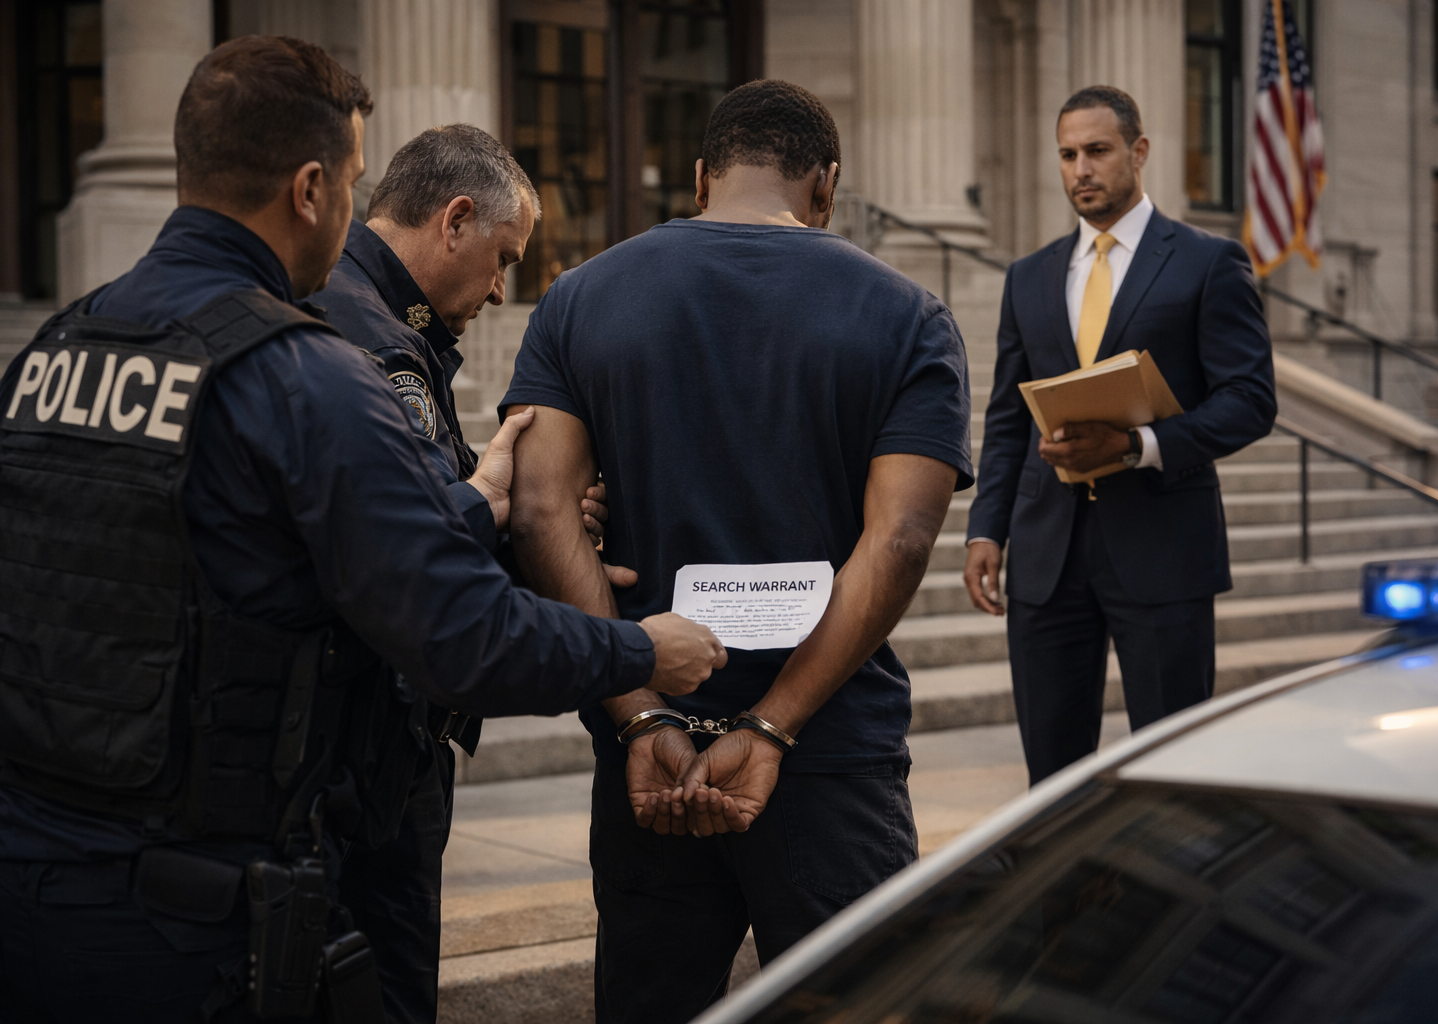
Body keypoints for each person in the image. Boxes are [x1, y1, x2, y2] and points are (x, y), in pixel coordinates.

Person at [0, 35, 724, 1024]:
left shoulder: (58, 344)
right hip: (195, 912)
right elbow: (463, 637)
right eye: (349, 179)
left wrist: (471, 505)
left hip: (36, 875)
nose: (354, 209)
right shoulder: (304, 375)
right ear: (308, 189)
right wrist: (643, 647)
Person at [500, 79, 972, 1024]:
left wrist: (638, 716)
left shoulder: (578, 298)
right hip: (828, 750)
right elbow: (904, 535)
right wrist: (772, 729)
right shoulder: (910, 316)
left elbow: (541, 509)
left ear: (703, 176)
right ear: (827, 186)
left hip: (649, 752)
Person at [309, 123, 632, 1024]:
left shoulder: (372, 314)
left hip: (363, 740)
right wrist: (629, 649)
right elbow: (401, 562)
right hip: (364, 754)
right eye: (502, 259)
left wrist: (512, 516)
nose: (501, 288)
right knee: (384, 987)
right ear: (455, 218)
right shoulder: (372, 338)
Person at [963, 85, 1276, 784]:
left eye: (1097, 151)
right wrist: (987, 530)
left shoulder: (1207, 262)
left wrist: (1138, 447)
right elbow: (1009, 415)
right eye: (1067, 154)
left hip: (1164, 550)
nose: (1080, 169)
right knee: (1052, 777)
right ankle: (1063, 897)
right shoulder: (1028, 277)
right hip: (1047, 556)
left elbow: (1251, 400)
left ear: (1138, 152)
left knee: (1172, 769)